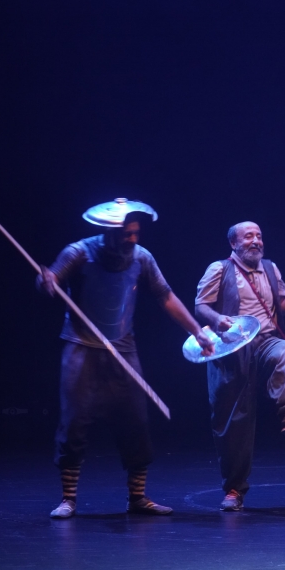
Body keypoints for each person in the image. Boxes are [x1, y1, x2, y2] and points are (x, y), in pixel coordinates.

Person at [38, 199, 215, 519]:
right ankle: (68, 499)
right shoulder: (79, 252)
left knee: (136, 420)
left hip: (123, 347)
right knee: (74, 421)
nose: (133, 238)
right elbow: (50, 281)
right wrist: (47, 281)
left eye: (136, 232)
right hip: (81, 346)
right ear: (109, 231)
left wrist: (196, 331)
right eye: (127, 233)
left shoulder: (142, 258)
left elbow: (165, 296)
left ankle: (137, 498)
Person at [195, 221, 285, 512]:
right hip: (231, 348)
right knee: (234, 421)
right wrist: (216, 320)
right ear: (234, 243)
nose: (256, 241)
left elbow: (283, 305)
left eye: (259, 236)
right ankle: (233, 489)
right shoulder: (219, 269)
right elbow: (201, 306)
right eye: (248, 237)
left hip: (265, 340)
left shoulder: (270, 268)